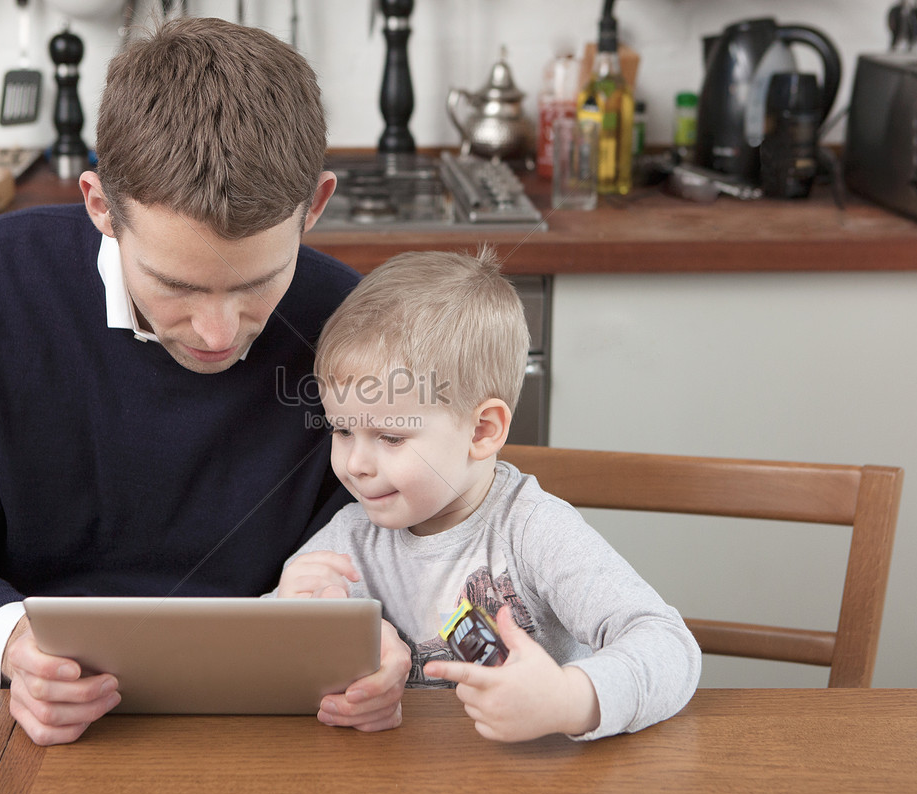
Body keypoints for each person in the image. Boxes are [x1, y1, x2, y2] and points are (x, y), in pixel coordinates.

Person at [0, 17, 409, 746]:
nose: (219, 334)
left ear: (314, 206)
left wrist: (390, 645)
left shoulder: (350, 319)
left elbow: (411, 548)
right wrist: (14, 648)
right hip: (38, 738)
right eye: (176, 284)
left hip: (290, 737)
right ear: (100, 207)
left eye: (258, 283)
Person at [270, 247, 701, 741]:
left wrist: (568, 700)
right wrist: (288, 615)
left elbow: (669, 646)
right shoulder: (349, 537)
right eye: (342, 431)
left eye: (389, 437)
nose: (354, 464)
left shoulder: (533, 531)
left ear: (482, 431)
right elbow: (242, 660)